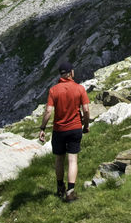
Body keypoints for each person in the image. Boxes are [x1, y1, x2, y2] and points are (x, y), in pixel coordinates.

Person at [38, 59, 91, 202]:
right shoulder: (80, 89)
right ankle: (71, 191)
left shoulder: (53, 90)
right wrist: (86, 125)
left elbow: (48, 111)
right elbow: (85, 110)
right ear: (71, 73)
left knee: (59, 159)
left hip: (59, 130)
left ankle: (60, 186)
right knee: (72, 159)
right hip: (74, 128)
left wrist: (42, 128)